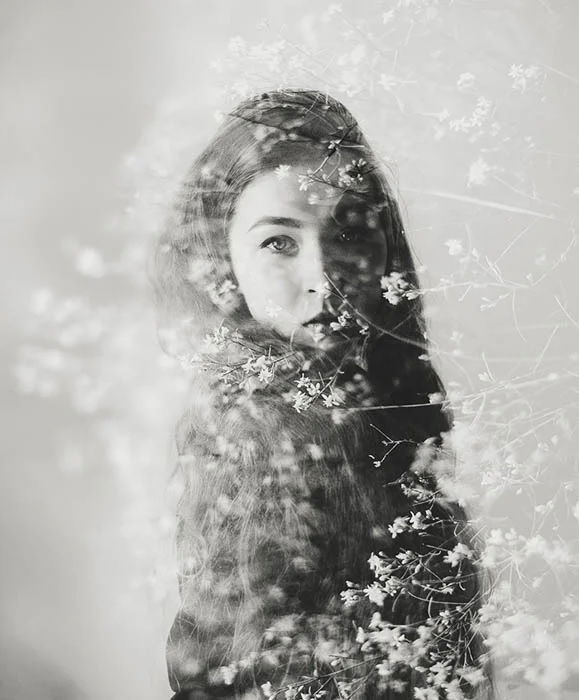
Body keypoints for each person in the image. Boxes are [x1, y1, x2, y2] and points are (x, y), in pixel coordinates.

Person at [154, 89, 493, 699]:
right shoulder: (254, 431)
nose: (324, 278)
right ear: (221, 259)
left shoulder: (386, 404)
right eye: (278, 242)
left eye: (348, 233)